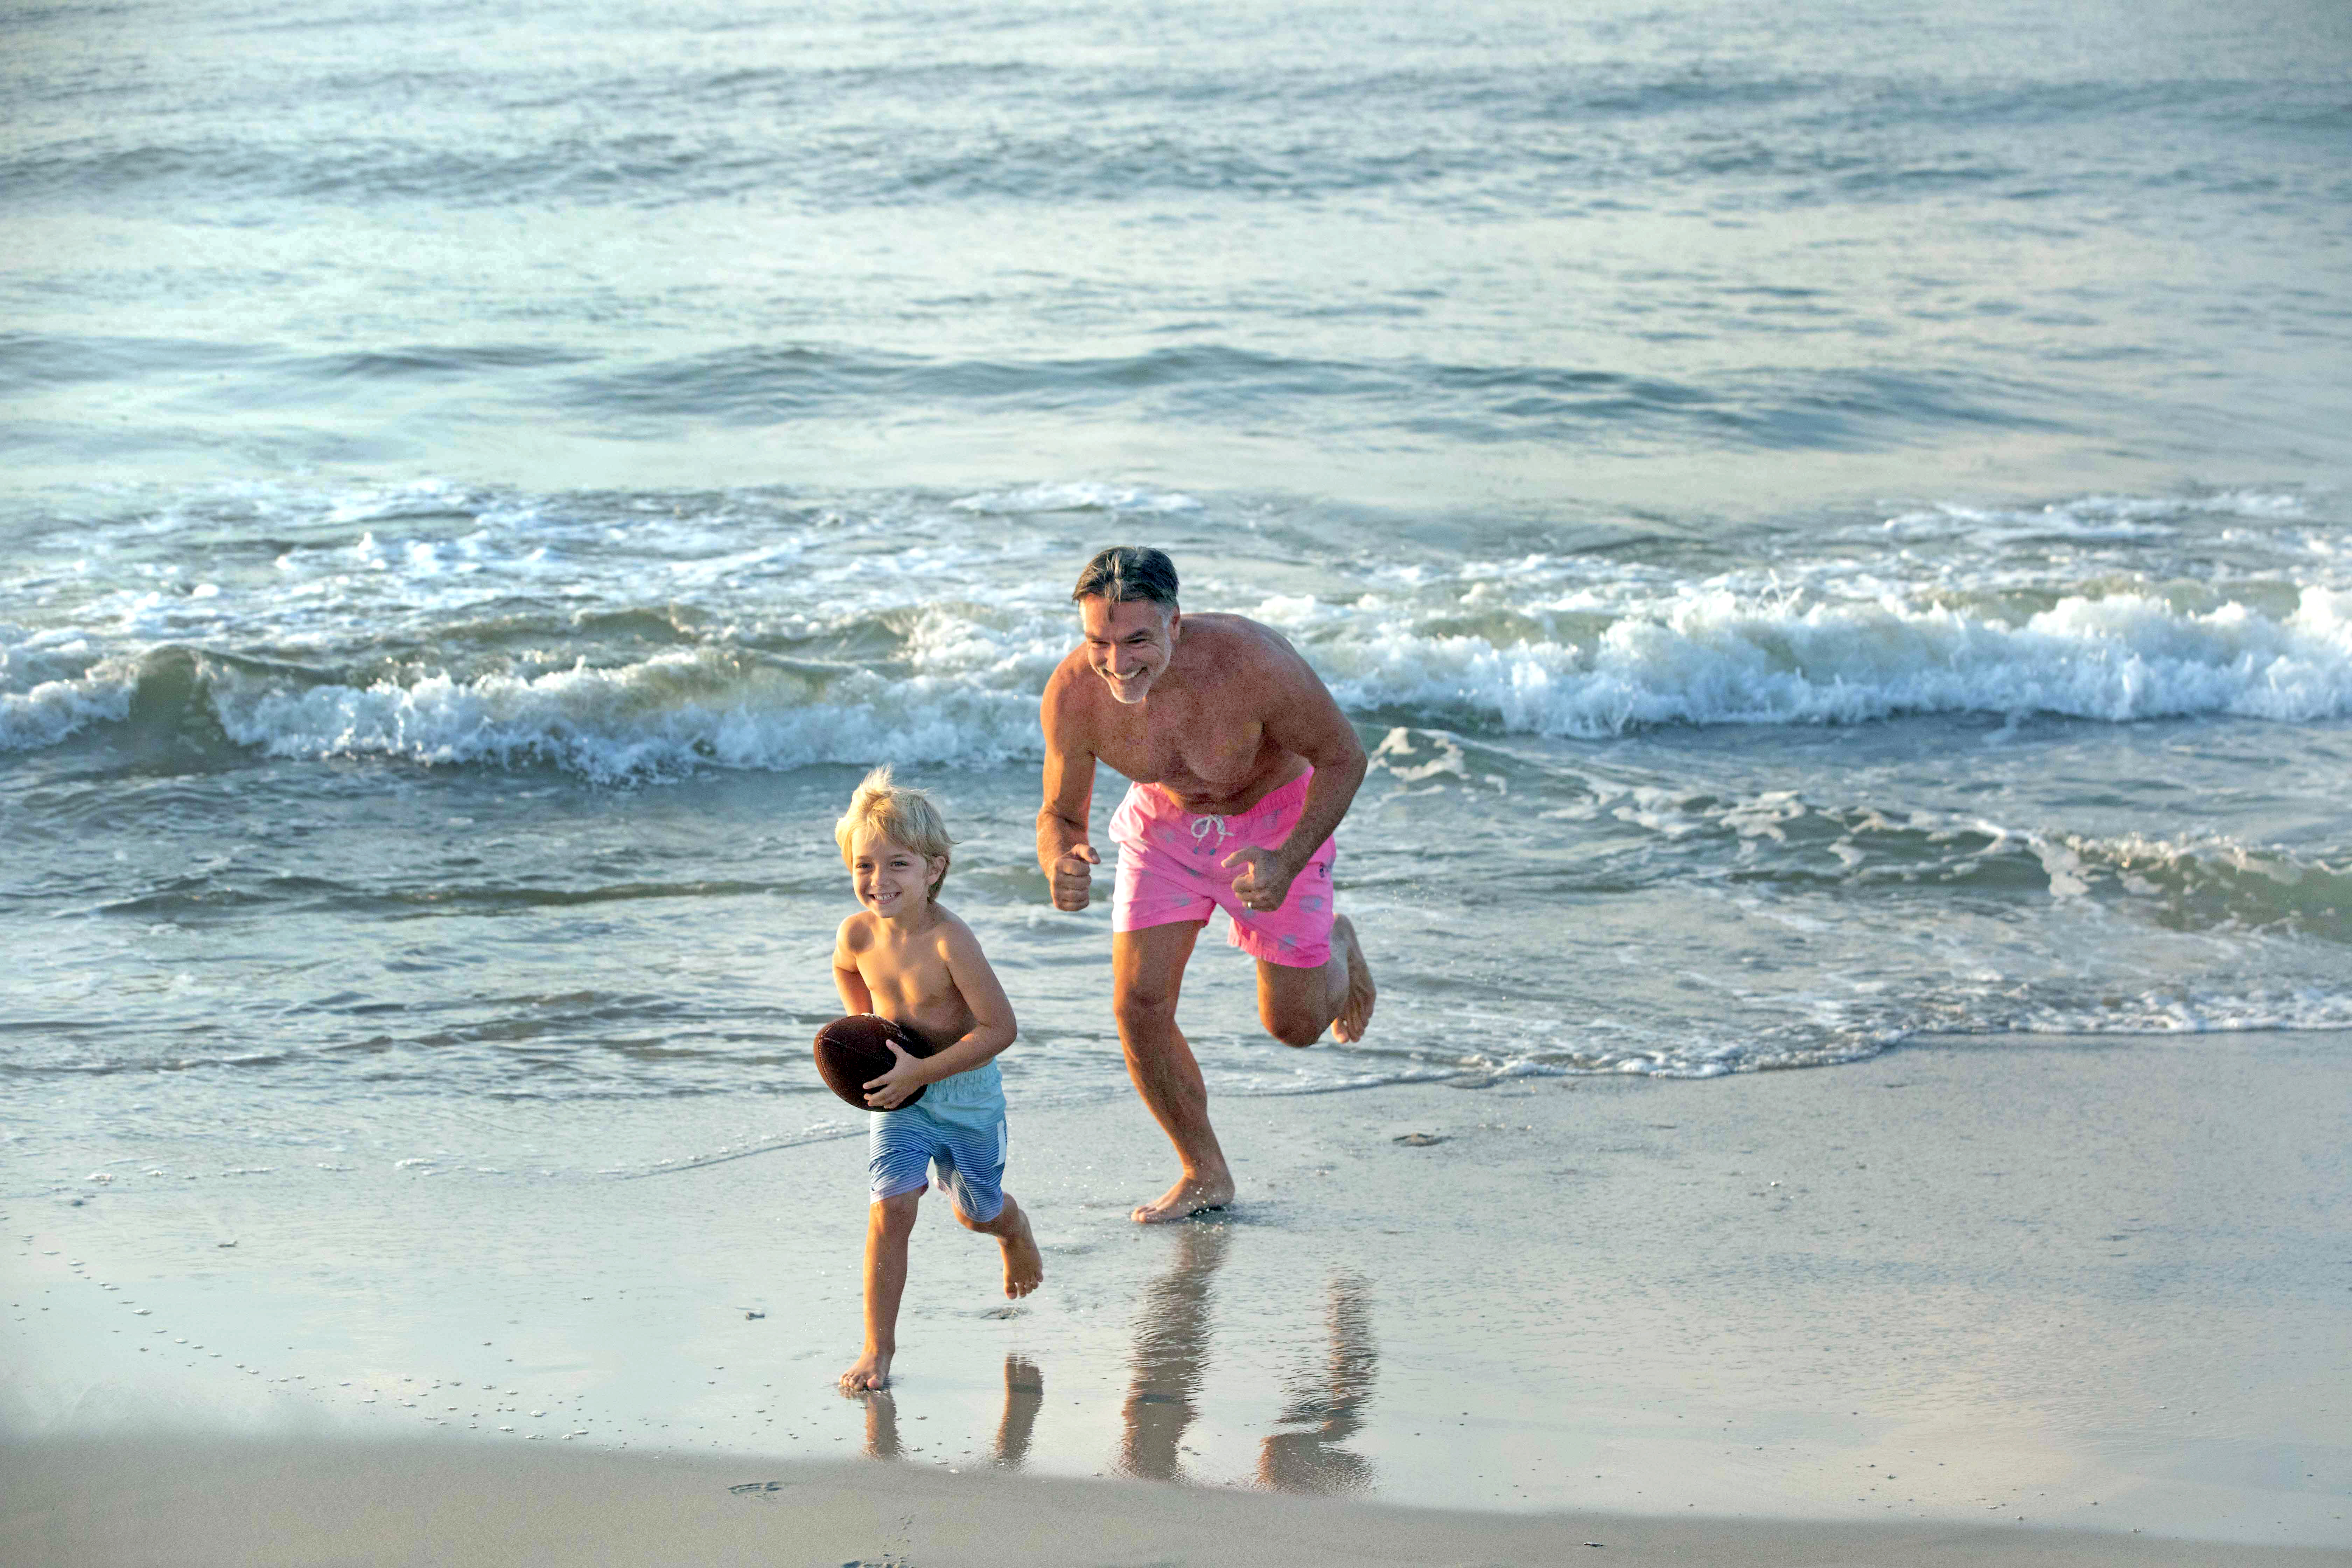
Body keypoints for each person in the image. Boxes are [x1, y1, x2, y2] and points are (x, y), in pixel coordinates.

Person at [1037, 546, 1376, 1224]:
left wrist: (1288, 858)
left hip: (1277, 826)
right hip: (1163, 829)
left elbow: (1344, 757)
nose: (1117, 661)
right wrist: (1061, 855)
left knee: (1295, 1026)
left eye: (1137, 639)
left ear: (1175, 624)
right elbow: (1062, 813)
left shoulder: (1253, 665)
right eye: (1098, 640)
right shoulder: (1075, 694)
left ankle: (1339, 947)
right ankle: (1204, 1171)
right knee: (1138, 1003)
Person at [831, 767, 1042, 1393]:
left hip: (966, 1096)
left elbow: (1000, 1028)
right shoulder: (857, 933)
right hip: (899, 1097)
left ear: (934, 869)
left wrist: (925, 1069)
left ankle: (1014, 1229)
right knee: (891, 1211)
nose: (878, 881)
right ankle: (878, 1350)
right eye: (864, 866)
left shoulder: (952, 941)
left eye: (897, 865)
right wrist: (865, 1038)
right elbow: (850, 974)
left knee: (975, 1214)